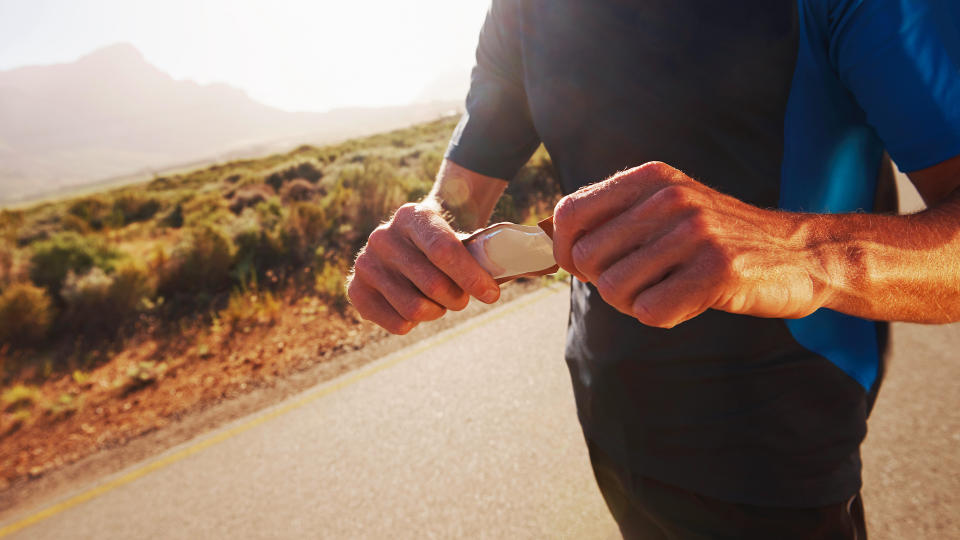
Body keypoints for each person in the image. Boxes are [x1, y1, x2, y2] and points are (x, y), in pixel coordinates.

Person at [347, 1, 960, 538]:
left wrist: (804, 252)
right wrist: (426, 235)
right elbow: (459, 194)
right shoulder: (522, 8)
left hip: (773, 457)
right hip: (609, 425)